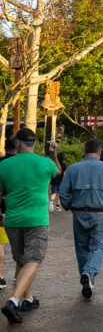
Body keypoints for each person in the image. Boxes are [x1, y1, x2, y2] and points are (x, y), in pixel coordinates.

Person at [0, 128, 61, 324]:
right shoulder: (45, 163)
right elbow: (58, 173)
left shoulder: (5, 165)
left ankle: (28, 298)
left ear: (17, 143)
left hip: (13, 220)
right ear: (33, 144)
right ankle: (13, 300)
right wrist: (52, 153)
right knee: (33, 260)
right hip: (36, 220)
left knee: (21, 260)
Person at [59, 138, 103, 299]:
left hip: (79, 213)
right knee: (98, 247)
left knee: (82, 249)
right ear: (100, 151)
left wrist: (68, 205)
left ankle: (86, 278)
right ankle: (89, 274)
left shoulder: (73, 169)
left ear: (84, 151)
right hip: (100, 213)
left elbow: (63, 193)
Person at [0, 138, 18, 291]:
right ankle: (19, 276)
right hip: (20, 209)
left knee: (0, 245)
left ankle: (0, 276)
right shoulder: (21, 163)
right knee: (22, 246)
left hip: (2, 210)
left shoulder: (1, 163)